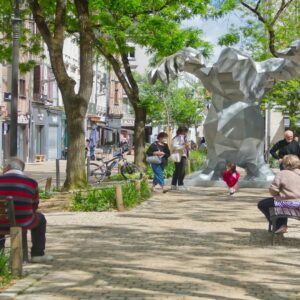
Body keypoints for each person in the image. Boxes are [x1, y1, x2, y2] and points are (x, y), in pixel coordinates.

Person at [0, 157, 53, 263]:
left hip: (0, 222)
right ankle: (37, 254)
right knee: (40, 218)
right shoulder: (31, 183)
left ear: (7, 168)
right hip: (23, 222)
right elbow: (34, 206)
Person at [257, 155, 300, 234]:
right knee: (282, 204)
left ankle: (277, 224)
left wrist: (276, 194)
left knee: (262, 204)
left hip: (285, 203)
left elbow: (273, 190)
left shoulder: (282, 173)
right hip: (298, 204)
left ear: (285, 164)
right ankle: (282, 225)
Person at [171, 126, 190, 191]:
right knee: (181, 171)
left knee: (177, 171)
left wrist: (187, 147)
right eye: (185, 131)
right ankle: (180, 185)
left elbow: (185, 147)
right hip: (179, 156)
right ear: (182, 131)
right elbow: (174, 147)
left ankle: (173, 185)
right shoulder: (178, 137)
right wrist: (184, 146)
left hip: (183, 155)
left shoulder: (184, 138)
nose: (185, 133)